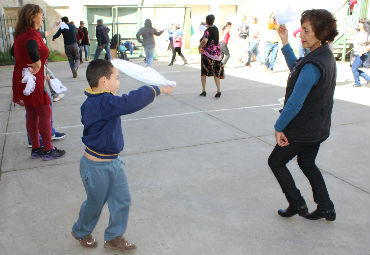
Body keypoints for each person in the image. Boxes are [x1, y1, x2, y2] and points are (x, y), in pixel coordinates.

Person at [71, 59, 174, 252]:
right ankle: (80, 231)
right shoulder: (101, 103)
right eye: (116, 79)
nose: (118, 83)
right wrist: (156, 89)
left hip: (114, 163)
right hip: (96, 168)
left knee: (122, 199)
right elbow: (129, 102)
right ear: (104, 81)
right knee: (94, 204)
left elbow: (119, 105)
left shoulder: (102, 101)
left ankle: (114, 237)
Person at [268, 9, 339, 221]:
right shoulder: (323, 55)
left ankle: (297, 202)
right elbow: (297, 68)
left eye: (307, 30)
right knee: (307, 164)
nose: (302, 34)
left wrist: (279, 126)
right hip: (318, 128)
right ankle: (326, 207)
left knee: (276, 162)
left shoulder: (314, 64)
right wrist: (284, 42)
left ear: (321, 32)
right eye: (302, 30)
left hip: (303, 130)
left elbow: (295, 103)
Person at [12, 4, 65, 160]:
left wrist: (32, 64)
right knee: (44, 113)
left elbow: (13, 51)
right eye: (41, 14)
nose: (42, 17)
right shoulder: (32, 35)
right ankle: (48, 150)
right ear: (33, 16)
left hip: (23, 79)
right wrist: (38, 64)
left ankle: (36, 148)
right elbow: (31, 47)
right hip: (33, 81)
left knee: (32, 114)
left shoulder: (20, 34)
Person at [198, 14, 224, 98]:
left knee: (204, 72)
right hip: (216, 54)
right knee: (216, 72)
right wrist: (204, 24)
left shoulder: (207, 31)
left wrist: (199, 47)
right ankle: (218, 90)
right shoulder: (216, 28)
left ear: (207, 21)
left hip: (207, 54)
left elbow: (205, 40)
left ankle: (204, 90)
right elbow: (210, 25)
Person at [351, 19, 370, 87]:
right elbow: (349, 30)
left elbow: (369, 45)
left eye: (360, 23)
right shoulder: (357, 31)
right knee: (354, 68)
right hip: (356, 52)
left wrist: (363, 51)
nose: (359, 24)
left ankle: (358, 83)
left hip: (363, 54)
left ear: (364, 24)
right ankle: (368, 79)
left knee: (354, 69)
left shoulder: (368, 34)